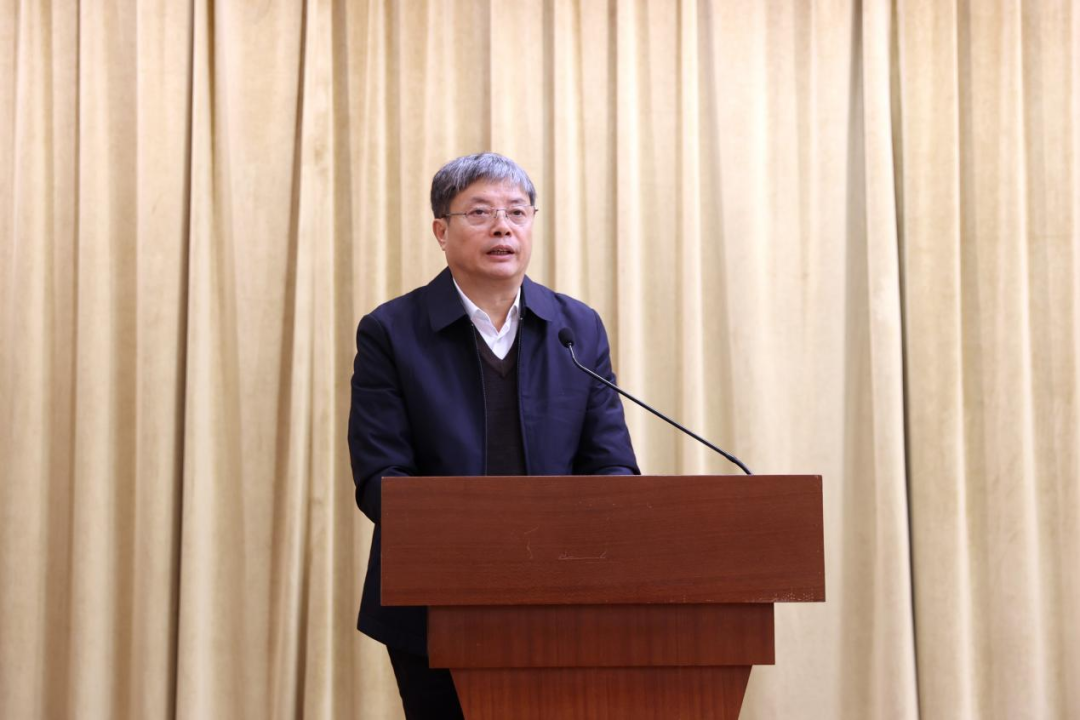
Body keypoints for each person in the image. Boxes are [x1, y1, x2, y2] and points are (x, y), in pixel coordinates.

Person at [348, 152, 639, 719]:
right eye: (479, 212)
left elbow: (612, 464)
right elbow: (381, 479)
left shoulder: (576, 328)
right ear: (441, 231)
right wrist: (484, 538)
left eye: (516, 212)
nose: (503, 227)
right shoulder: (392, 331)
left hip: (564, 595)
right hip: (435, 603)